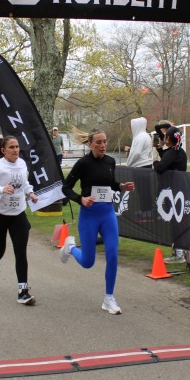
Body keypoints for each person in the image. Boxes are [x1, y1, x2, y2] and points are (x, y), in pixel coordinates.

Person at [59, 128, 135, 315]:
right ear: (90, 144)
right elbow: (66, 188)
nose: (103, 145)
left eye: (105, 141)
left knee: (113, 254)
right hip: (89, 215)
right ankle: (70, 248)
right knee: (87, 262)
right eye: (99, 142)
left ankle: (109, 298)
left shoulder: (110, 161)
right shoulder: (83, 164)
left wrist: (121, 186)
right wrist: (81, 199)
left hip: (107, 213)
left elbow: (110, 184)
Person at [0, 136, 40, 305]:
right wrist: (1, 190)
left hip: (18, 214)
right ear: (3, 150)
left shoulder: (22, 164)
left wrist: (30, 193)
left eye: (17, 146)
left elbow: (24, 183)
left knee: (21, 252)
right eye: (11, 147)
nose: (15, 150)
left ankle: (23, 291)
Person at [154, 126, 190, 265]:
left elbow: (160, 167)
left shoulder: (173, 153)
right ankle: (182, 251)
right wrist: (160, 151)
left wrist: (155, 162)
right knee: (178, 221)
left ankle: (179, 253)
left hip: (173, 191)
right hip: (181, 190)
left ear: (168, 139)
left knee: (176, 222)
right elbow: (168, 158)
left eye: (166, 137)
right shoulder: (180, 152)